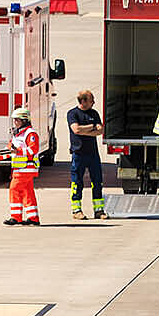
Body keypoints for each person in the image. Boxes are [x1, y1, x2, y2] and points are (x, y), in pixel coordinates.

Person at [65, 90, 106, 220]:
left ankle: (99, 210)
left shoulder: (94, 113)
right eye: (91, 100)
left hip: (93, 153)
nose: (93, 102)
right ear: (83, 101)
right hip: (78, 153)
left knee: (97, 181)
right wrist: (92, 127)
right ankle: (76, 210)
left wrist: (85, 130)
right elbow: (75, 130)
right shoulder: (73, 113)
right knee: (77, 182)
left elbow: (100, 130)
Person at [1, 107, 42, 226]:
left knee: (14, 190)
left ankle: (16, 217)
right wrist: (0, 156)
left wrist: (18, 151)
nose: (15, 122)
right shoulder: (17, 134)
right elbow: (11, 150)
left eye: (17, 120)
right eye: (14, 120)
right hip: (21, 169)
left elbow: (33, 149)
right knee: (27, 192)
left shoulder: (30, 134)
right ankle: (33, 218)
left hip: (26, 168)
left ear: (24, 120)